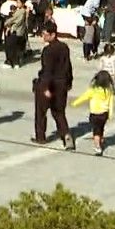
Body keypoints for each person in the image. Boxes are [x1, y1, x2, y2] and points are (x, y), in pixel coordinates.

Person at [33, 21, 75, 150]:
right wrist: (69, 82)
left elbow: (47, 71)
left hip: (49, 84)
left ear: (53, 34)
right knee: (59, 112)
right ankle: (66, 136)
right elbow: (68, 66)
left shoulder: (48, 50)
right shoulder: (64, 47)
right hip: (62, 84)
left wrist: (45, 88)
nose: (43, 37)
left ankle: (41, 137)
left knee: (41, 112)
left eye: (45, 34)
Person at [71, 70, 115, 156]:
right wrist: (110, 113)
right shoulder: (109, 90)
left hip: (94, 113)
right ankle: (100, 140)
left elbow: (84, 97)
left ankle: (97, 146)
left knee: (96, 130)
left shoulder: (93, 90)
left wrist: (75, 103)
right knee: (101, 128)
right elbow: (111, 102)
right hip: (104, 114)